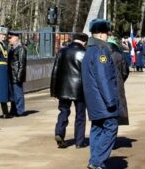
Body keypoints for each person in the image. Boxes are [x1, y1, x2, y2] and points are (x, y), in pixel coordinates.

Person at [82, 20, 120, 169]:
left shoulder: (90, 50)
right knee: (110, 127)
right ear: (101, 34)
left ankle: (95, 160)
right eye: (106, 33)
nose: (107, 36)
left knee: (97, 128)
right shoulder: (100, 51)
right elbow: (103, 77)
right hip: (103, 100)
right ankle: (97, 161)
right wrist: (111, 100)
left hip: (94, 99)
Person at [51, 32, 89, 149]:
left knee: (63, 111)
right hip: (80, 89)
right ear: (84, 42)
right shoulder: (85, 53)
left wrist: (53, 90)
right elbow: (88, 74)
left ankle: (59, 133)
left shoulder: (62, 51)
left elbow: (55, 71)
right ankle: (79, 141)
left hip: (63, 88)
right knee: (80, 115)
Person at [107, 34, 130, 126]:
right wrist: (120, 80)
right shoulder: (119, 54)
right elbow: (125, 71)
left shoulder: (98, 52)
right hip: (117, 83)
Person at [8, 31, 27, 117]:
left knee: (18, 93)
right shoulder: (12, 49)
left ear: (16, 38)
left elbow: (22, 63)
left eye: (10, 38)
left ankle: (20, 111)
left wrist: (19, 76)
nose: (9, 40)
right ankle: (13, 110)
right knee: (12, 94)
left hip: (16, 74)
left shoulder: (21, 49)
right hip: (11, 74)